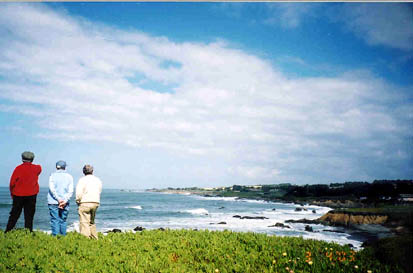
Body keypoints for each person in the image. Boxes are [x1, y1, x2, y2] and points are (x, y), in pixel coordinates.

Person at [6, 151, 42, 233]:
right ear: (32, 159)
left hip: (18, 195)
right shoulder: (37, 168)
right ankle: (28, 232)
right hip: (32, 195)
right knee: (29, 215)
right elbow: (39, 169)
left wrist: (12, 194)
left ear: (22, 159)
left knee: (14, 215)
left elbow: (12, 183)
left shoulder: (18, 168)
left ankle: (8, 231)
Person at [76, 164, 102, 239]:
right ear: (92, 171)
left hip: (85, 202)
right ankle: (94, 238)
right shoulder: (97, 180)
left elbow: (79, 193)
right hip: (95, 202)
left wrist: (78, 201)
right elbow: (99, 190)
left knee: (84, 222)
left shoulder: (82, 180)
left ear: (83, 171)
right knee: (91, 222)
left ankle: (85, 240)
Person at [47, 160, 74, 236]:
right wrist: (64, 201)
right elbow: (70, 191)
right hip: (65, 202)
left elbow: (52, 189)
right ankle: (63, 237)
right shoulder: (69, 177)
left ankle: (55, 237)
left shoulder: (52, 175)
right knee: (63, 220)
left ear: (56, 167)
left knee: (55, 220)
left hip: (53, 201)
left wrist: (58, 199)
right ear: (65, 167)